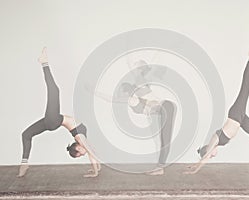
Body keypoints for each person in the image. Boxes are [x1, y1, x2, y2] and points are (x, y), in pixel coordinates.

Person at [184, 44, 249, 174]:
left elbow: (205, 158)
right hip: (241, 120)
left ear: (207, 150)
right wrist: (194, 165)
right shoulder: (216, 144)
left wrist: (195, 169)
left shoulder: (214, 140)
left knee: (246, 86)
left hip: (235, 114)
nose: (213, 155)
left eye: (211, 155)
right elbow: (204, 157)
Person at [18, 47, 101, 178]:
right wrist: (96, 170)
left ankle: (44, 62)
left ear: (78, 148)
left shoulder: (80, 139)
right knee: (26, 134)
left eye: (80, 155)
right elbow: (92, 152)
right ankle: (24, 163)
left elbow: (91, 153)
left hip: (54, 120)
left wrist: (96, 169)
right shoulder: (82, 139)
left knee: (55, 91)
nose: (83, 155)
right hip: (52, 122)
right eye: (81, 155)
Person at [89, 59, 176, 175]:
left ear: (126, 91)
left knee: (164, 139)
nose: (120, 95)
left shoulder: (134, 97)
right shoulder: (139, 91)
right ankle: (159, 167)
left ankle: (160, 168)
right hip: (166, 108)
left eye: (121, 92)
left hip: (166, 107)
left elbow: (112, 99)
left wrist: (95, 92)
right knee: (163, 140)